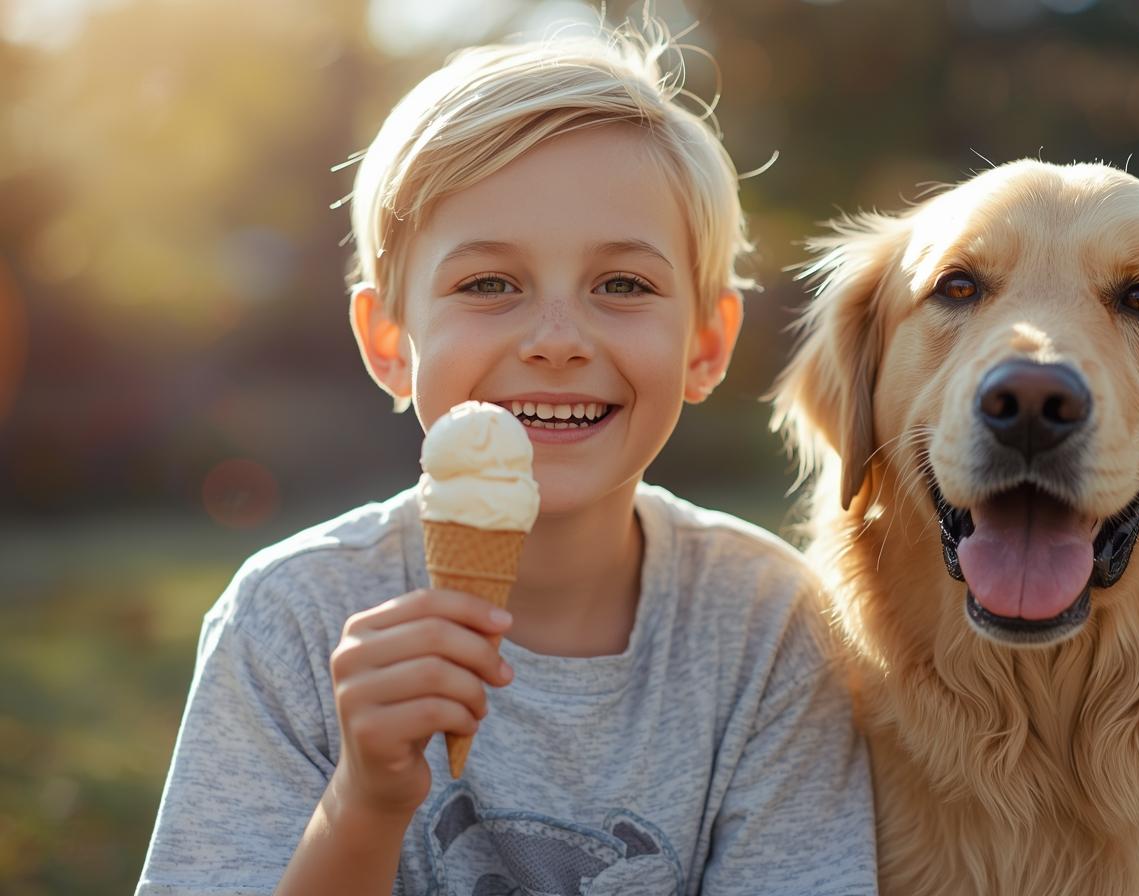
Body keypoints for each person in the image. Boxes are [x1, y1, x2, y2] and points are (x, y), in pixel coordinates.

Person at [136, 17, 876, 896]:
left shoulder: (771, 626)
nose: (557, 341)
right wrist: (366, 804)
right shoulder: (288, 622)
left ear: (707, 345)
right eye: (489, 284)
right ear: (390, 342)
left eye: (623, 285)